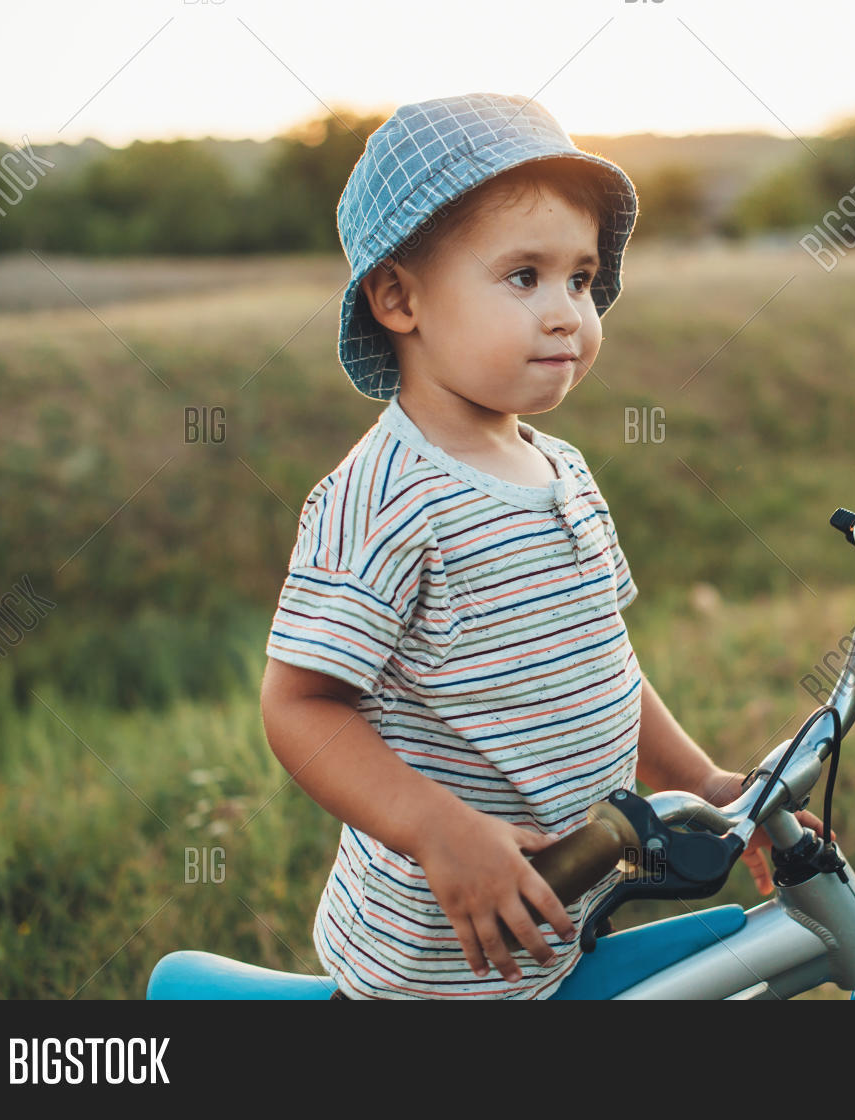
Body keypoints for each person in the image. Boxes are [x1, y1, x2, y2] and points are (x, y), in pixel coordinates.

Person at [258, 92, 825, 999]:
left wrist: (707, 782)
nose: (568, 313)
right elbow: (300, 708)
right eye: (524, 277)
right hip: (443, 958)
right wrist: (440, 830)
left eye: (581, 278)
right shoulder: (381, 498)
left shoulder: (561, 469)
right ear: (399, 297)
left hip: (563, 908)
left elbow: (602, 662)